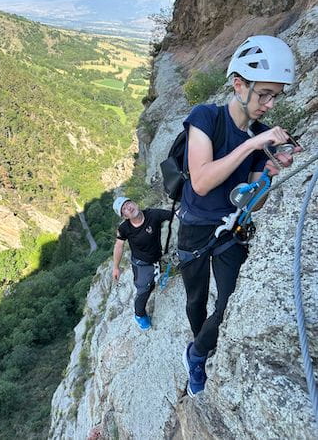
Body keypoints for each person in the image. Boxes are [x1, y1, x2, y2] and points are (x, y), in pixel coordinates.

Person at [178, 35, 302, 397]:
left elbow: (250, 201)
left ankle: (198, 352)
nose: (269, 104)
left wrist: (268, 175)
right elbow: (201, 181)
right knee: (194, 301)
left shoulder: (261, 136)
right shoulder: (205, 118)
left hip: (231, 228)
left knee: (229, 299)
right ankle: (199, 336)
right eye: (264, 94)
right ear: (239, 85)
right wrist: (250, 145)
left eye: (275, 96)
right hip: (196, 227)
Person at [112, 197, 171, 330]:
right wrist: (115, 267)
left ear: (135, 203)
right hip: (141, 264)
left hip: (156, 258)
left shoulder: (153, 215)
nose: (129, 208)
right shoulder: (124, 228)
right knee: (143, 291)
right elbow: (119, 246)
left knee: (152, 285)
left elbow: (174, 213)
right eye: (124, 209)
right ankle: (139, 315)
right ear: (124, 216)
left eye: (129, 204)